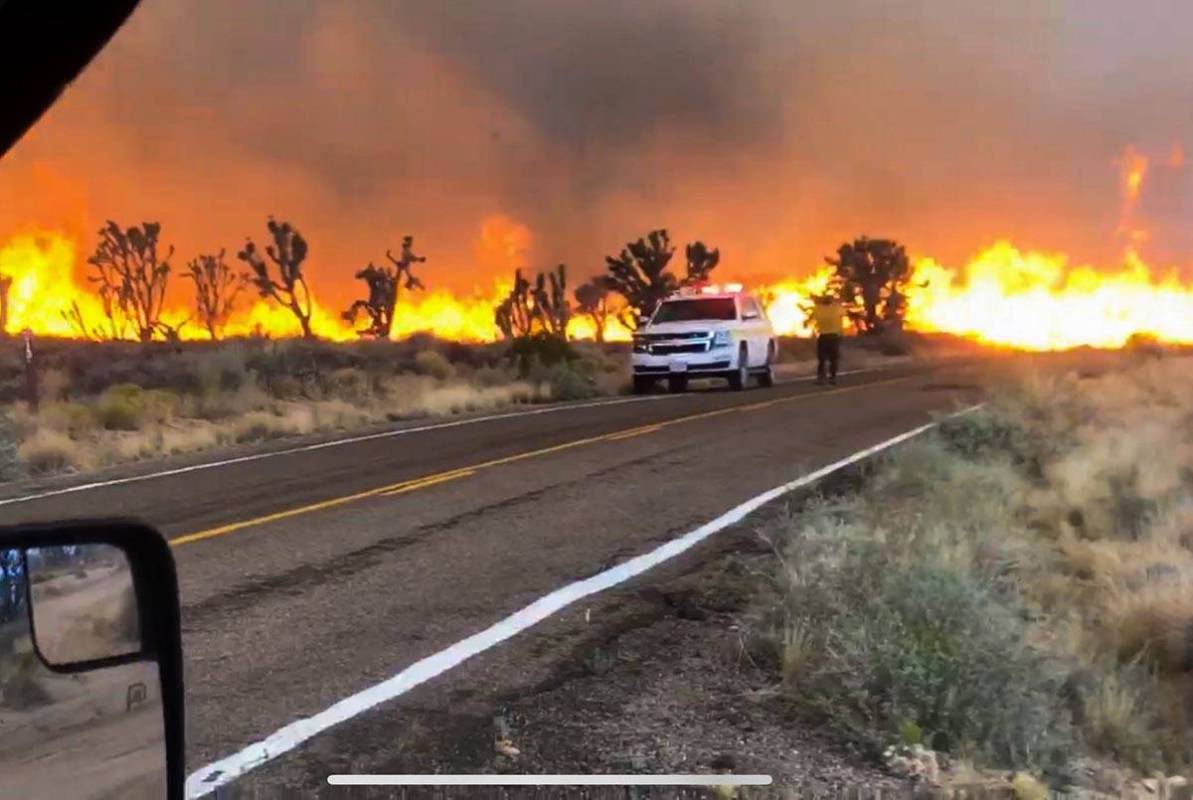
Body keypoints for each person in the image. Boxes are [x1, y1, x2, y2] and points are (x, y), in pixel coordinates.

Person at [811, 294, 846, 385]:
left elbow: (812, 319)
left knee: (822, 359)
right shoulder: (837, 309)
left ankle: (821, 378)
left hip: (823, 337)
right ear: (831, 301)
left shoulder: (817, 309)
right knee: (833, 359)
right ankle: (832, 378)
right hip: (834, 337)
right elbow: (843, 314)